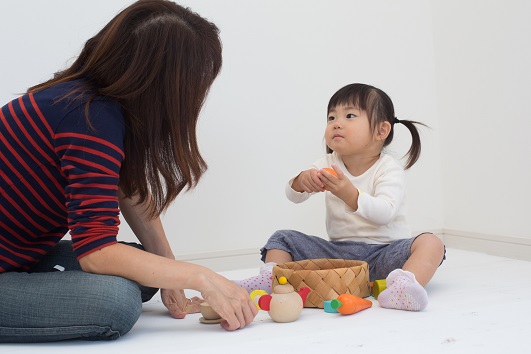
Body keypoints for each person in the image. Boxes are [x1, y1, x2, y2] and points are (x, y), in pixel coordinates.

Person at [0, 0, 257, 343]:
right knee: (116, 302)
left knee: (149, 267)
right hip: (13, 260)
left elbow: (125, 187)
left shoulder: (93, 104)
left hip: (19, 253)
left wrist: (171, 271)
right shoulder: (88, 116)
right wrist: (202, 277)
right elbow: (96, 253)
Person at [235, 83, 446, 311]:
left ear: (381, 131)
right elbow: (293, 196)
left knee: (431, 242)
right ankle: (273, 279)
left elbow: (385, 212)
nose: (336, 123)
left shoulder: (388, 168)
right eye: (331, 117)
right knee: (283, 238)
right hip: (338, 255)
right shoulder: (328, 163)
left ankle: (403, 285)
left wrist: (350, 194)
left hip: (384, 253)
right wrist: (300, 182)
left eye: (350, 115)